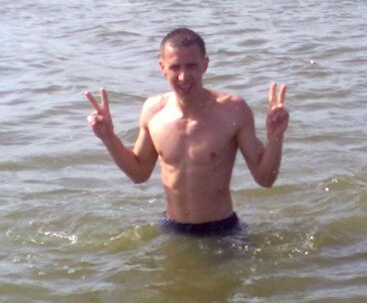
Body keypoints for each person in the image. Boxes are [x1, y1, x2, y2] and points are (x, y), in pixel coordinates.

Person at [85, 28, 289, 236]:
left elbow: (265, 179)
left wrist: (275, 136)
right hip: (172, 227)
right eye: (175, 67)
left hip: (222, 230)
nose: (183, 77)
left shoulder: (233, 110)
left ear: (205, 65)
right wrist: (108, 137)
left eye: (191, 66)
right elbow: (139, 174)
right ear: (162, 67)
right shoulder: (153, 111)